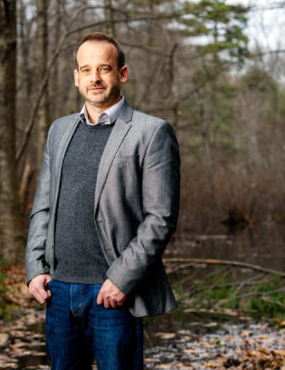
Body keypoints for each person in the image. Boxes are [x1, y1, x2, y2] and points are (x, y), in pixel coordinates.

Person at [25, 32, 180, 369]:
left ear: (121, 74)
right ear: (76, 77)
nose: (94, 78)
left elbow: (160, 217)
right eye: (86, 69)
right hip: (59, 293)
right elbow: (43, 205)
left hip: (111, 294)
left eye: (104, 69)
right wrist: (35, 268)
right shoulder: (59, 130)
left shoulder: (151, 132)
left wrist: (122, 280)